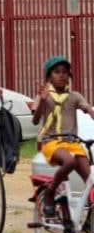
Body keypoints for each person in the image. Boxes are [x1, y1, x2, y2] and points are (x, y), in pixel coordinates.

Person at [32, 56, 94, 217]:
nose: (62, 76)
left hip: (72, 143)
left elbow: (87, 108)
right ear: (48, 77)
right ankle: (50, 193)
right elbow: (35, 120)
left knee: (90, 179)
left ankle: (86, 218)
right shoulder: (44, 96)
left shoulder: (74, 96)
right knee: (69, 161)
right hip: (52, 142)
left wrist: (90, 112)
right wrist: (43, 101)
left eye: (65, 72)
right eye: (57, 72)